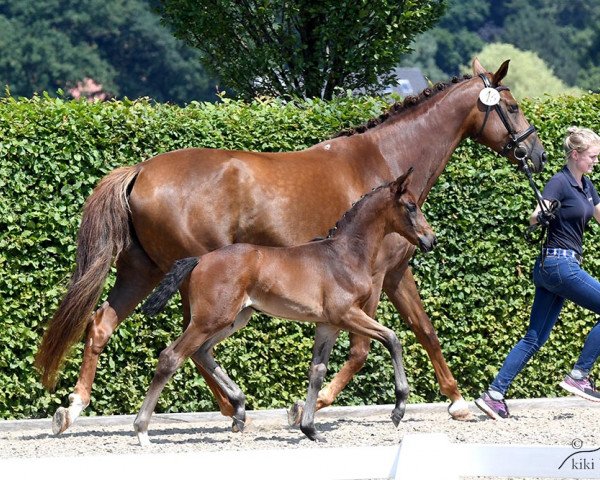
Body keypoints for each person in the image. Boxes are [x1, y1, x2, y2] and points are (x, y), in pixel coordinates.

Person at [476, 126, 600, 420]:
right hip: (559, 265)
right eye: (592, 157)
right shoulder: (559, 182)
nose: (595, 162)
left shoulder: (587, 186)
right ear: (575, 155)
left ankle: (493, 395)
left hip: (553, 268)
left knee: (534, 338)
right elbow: (536, 213)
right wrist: (540, 215)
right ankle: (579, 375)